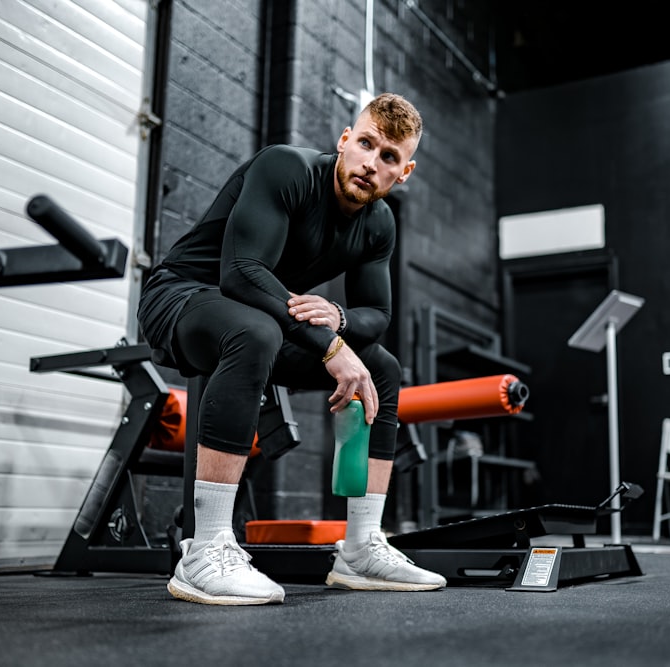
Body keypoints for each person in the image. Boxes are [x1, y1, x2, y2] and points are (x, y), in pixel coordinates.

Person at [138, 93, 446, 605]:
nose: (372, 163)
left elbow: (378, 316)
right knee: (254, 332)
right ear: (345, 140)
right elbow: (240, 274)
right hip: (184, 296)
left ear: (404, 171)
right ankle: (204, 550)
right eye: (366, 144)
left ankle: (362, 547)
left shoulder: (378, 223)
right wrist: (330, 346)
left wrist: (340, 319)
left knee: (382, 368)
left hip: (267, 318)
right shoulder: (287, 169)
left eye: (389, 156)